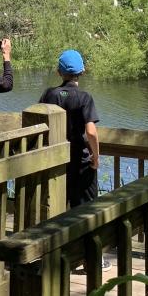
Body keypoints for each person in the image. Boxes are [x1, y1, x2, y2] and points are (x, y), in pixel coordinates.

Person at [39, 49, 100, 208]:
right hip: (80, 162)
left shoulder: (49, 94)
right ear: (82, 71)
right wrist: (96, 157)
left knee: (54, 206)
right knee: (85, 211)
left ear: (59, 72)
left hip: (55, 160)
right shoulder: (84, 98)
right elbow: (91, 132)